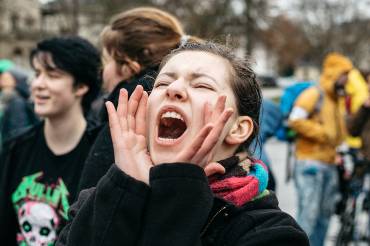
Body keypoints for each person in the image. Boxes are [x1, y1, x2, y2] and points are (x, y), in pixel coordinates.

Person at [57, 41, 308, 246]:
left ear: (238, 128)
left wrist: (177, 192)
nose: (174, 89)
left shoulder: (273, 233)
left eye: (201, 85)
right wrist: (125, 187)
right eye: (163, 82)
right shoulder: (97, 200)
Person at [78, 7, 195, 190]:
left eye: (105, 61)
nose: (102, 72)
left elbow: (90, 199)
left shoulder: (126, 115)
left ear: (128, 66)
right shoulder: (184, 103)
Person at [0, 36, 101, 246]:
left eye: (52, 75)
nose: (38, 84)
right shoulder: (15, 149)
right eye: (37, 74)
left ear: (81, 86)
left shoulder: (99, 155)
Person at [289, 52, 353, 246]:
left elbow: (339, 133)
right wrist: (323, 133)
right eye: (344, 75)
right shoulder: (314, 94)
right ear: (334, 74)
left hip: (329, 163)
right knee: (308, 216)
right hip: (310, 163)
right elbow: (295, 119)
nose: (347, 79)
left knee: (324, 217)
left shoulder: (335, 100)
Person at [0, 67, 38, 143]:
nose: (1, 81)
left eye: (5, 78)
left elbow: (18, 132)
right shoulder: (7, 100)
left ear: (14, 80)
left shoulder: (17, 103)